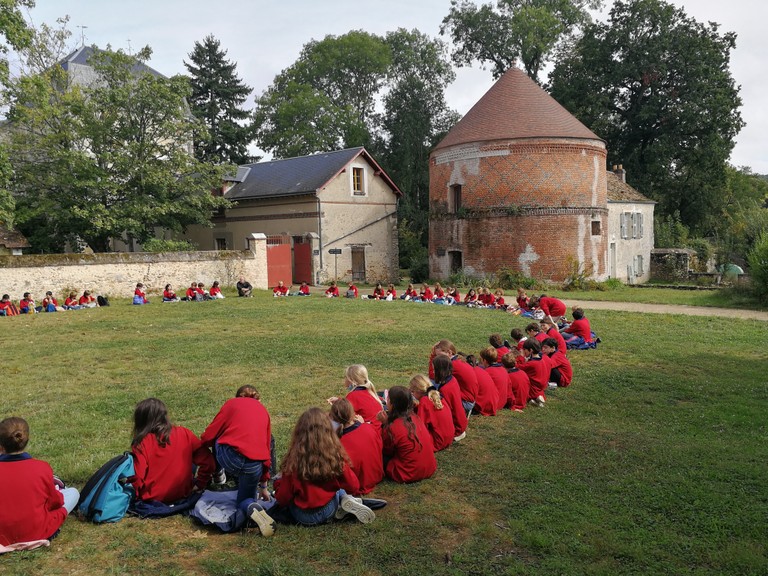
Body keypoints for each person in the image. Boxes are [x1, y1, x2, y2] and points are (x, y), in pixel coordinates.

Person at [273, 407, 375, 526]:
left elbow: (283, 498)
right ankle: (345, 499)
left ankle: (344, 500)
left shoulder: (293, 460)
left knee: (284, 487)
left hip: (303, 516)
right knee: (339, 490)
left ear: (300, 432)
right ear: (328, 430)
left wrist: (278, 484)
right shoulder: (334, 455)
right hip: (329, 509)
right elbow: (353, 486)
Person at [201, 385, 273, 534]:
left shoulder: (232, 404)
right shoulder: (264, 412)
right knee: (244, 500)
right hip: (255, 465)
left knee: (218, 436)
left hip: (231, 458)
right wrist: (263, 486)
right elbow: (267, 450)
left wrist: (204, 447)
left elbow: (210, 434)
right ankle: (251, 506)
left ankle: (218, 474)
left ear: (238, 396)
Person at [0, 417, 79, 548]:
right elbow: (56, 502)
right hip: (36, 531)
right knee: (73, 493)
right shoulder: (41, 467)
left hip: (2, 535)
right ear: (27, 439)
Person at [129, 398, 215, 506]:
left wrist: (133, 495)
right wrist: (200, 483)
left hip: (152, 498)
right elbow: (208, 462)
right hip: (183, 493)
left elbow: (137, 477)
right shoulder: (185, 433)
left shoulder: (141, 443)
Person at [378, 386, 436, 483]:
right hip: (429, 468)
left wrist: (385, 425)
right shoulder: (415, 417)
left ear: (392, 404)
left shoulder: (393, 427)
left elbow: (387, 449)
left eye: (388, 399)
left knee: (377, 455)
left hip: (408, 473)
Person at [329, 399, 384, 495]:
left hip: (358, 483)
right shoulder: (369, 428)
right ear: (353, 414)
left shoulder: (337, 444)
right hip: (376, 476)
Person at [327, 365, 384, 430]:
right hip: (377, 431)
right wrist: (339, 401)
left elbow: (341, 414)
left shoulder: (353, 395)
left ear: (351, 380)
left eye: (346, 377)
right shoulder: (370, 392)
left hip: (368, 432)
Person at [431, 339, 478, 416]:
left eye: (439, 355)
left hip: (465, 402)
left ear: (449, 353)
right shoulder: (458, 360)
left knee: (429, 385)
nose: (438, 358)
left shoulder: (452, 365)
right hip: (469, 399)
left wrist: (432, 355)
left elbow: (433, 376)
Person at [408, 374, 454, 452]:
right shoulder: (437, 396)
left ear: (419, 391)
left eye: (412, 391)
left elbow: (420, 427)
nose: (412, 394)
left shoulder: (424, 401)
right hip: (448, 439)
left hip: (436, 442)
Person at [431, 354, 468, 442]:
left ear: (440, 371)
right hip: (461, 421)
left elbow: (445, 411)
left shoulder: (445, 390)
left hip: (456, 426)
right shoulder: (453, 379)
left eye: (434, 369)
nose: (433, 371)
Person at [519, 339, 551, 407]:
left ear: (531, 350)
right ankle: (537, 399)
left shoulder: (532, 363)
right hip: (540, 387)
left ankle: (532, 399)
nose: (524, 351)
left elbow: (519, 367)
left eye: (525, 350)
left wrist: (521, 357)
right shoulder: (541, 359)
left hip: (533, 387)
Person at [480, 347, 509, 413]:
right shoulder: (503, 370)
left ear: (484, 360)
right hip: (502, 402)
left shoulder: (487, 372)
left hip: (493, 404)